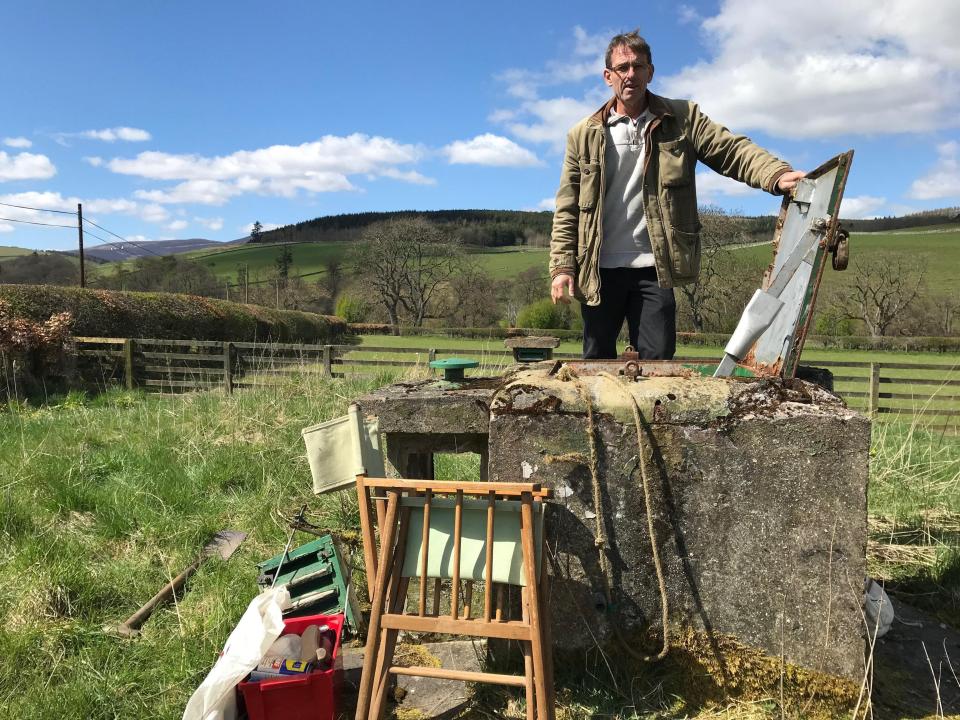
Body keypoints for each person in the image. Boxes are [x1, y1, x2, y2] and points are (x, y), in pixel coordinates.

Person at [549, 30, 805, 360]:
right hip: (599, 271)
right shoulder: (583, 134)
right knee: (596, 365)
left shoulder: (682, 119)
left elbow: (729, 149)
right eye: (623, 68)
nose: (630, 75)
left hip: (655, 267)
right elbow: (567, 206)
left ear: (650, 73)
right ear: (607, 76)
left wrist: (775, 174)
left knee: (659, 365)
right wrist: (562, 268)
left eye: (638, 67)